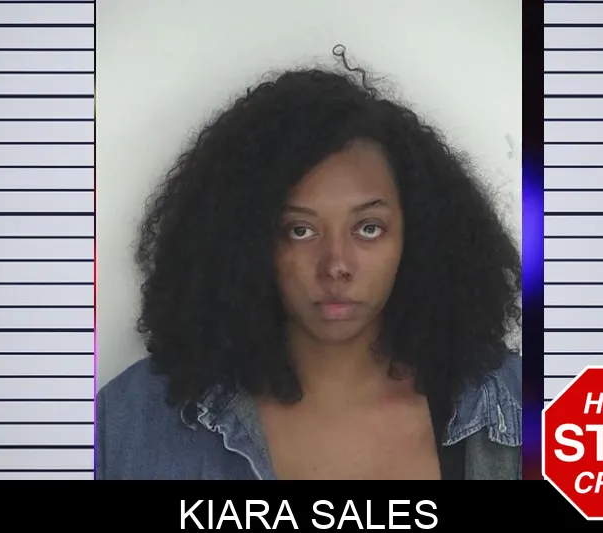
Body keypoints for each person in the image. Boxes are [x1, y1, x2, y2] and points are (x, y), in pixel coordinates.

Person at [96, 47, 522, 480]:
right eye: (300, 230)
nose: (336, 265)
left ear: (419, 236)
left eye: (368, 228)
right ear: (246, 243)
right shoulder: (132, 423)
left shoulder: (525, 407)